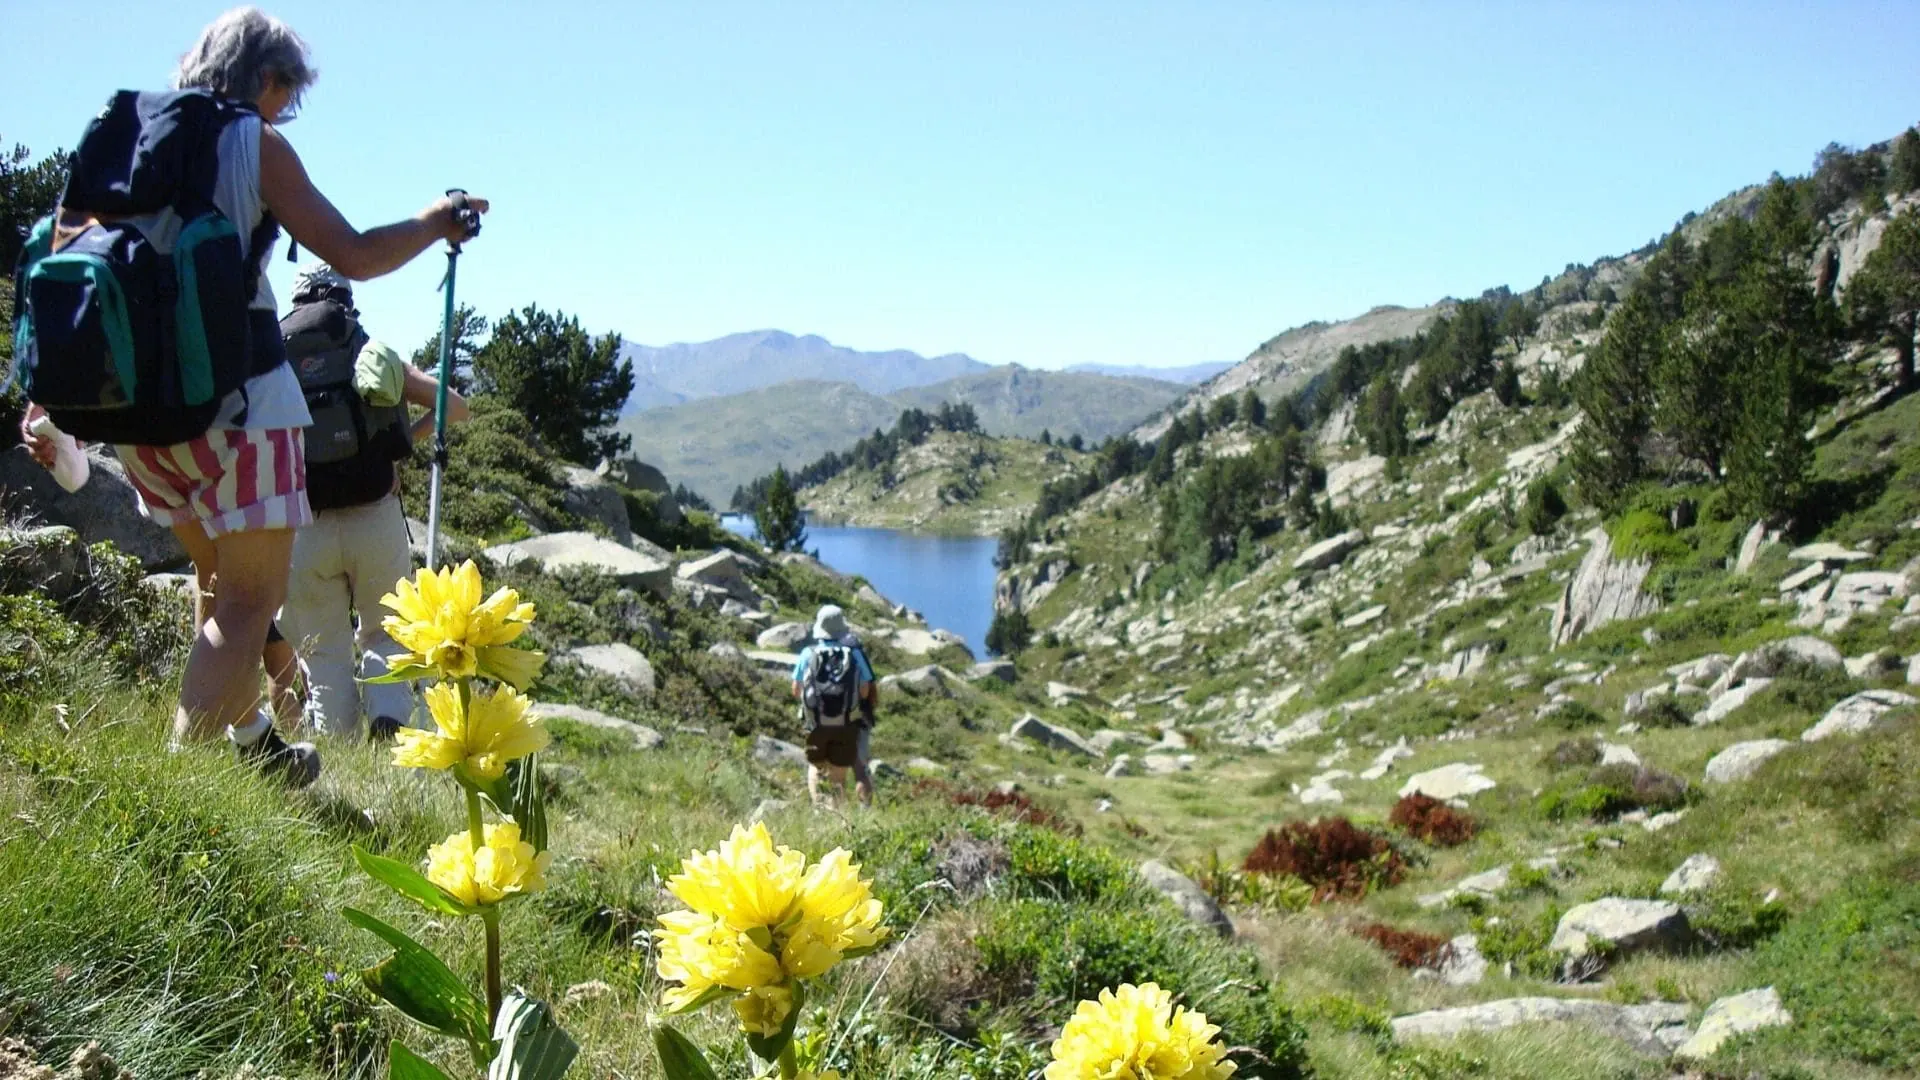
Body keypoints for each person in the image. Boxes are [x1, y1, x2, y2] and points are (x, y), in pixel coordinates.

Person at [19, 7, 488, 786]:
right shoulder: (252, 140)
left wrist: (46, 402)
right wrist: (436, 222)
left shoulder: (121, 130)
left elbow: (64, 270)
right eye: (287, 95)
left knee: (216, 587)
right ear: (265, 77)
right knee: (246, 603)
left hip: (133, 420)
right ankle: (179, 786)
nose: (285, 110)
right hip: (238, 409)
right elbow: (357, 255)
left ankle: (257, 746)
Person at [277, 263, 468, 740]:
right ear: (346, 302)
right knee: (386, 631)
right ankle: (388, 720)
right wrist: (399, 443)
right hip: (375, 516)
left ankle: (337, 748)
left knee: (324, 650)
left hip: (305, 523)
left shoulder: (275, 355)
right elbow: (454, 407)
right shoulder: (368, 352)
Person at [791, 604, 878, 807]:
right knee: (839, 775)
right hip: (845, 723)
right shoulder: (853, 654)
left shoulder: (807, 653)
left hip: (816, 724)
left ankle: (821, 811)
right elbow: (865, 690)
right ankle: (837, 816)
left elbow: (795, 690)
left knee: (816, 768)